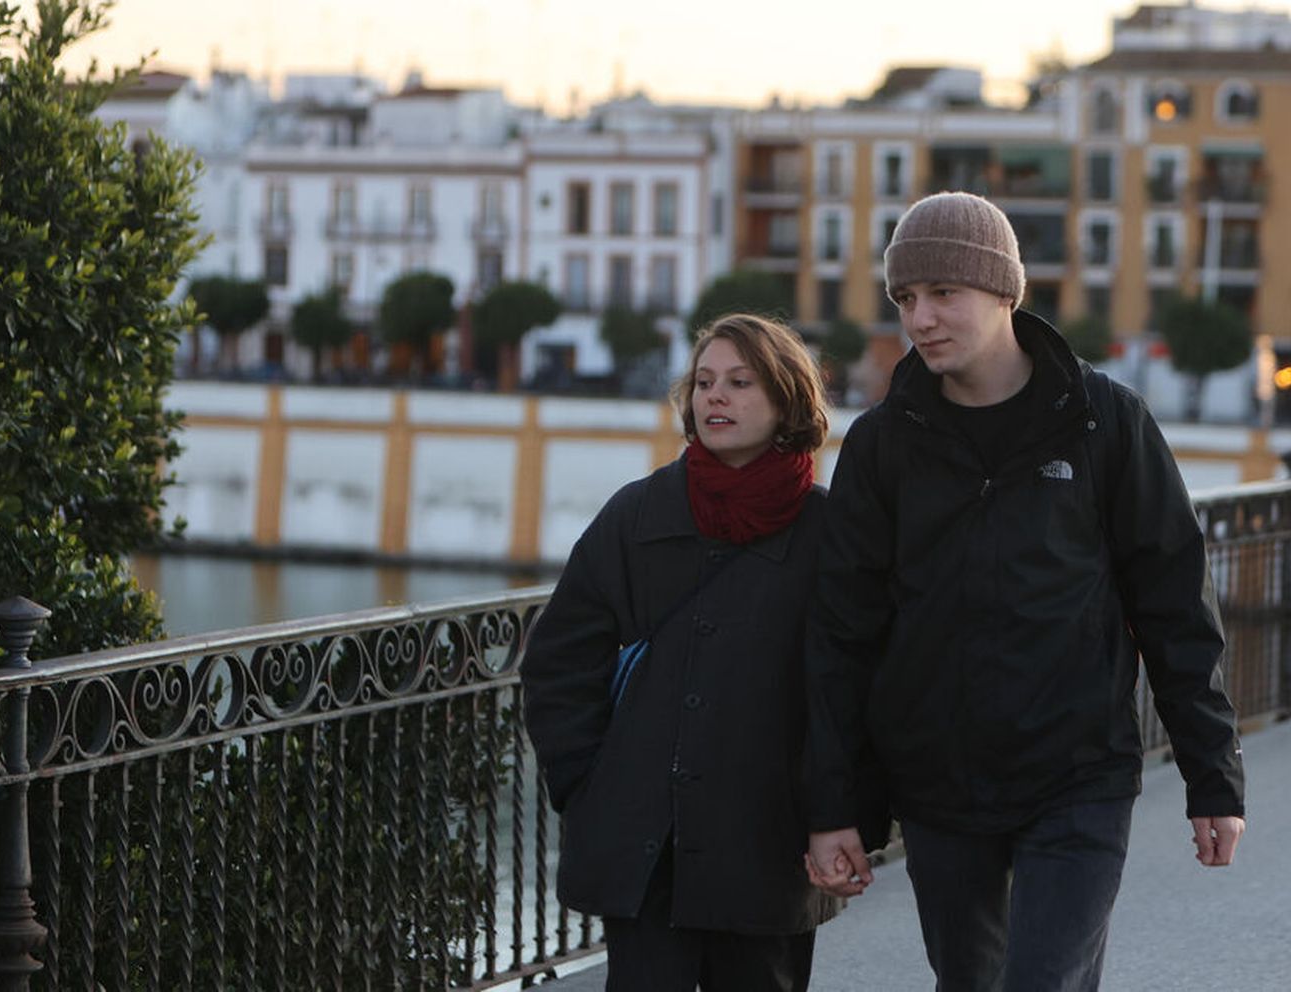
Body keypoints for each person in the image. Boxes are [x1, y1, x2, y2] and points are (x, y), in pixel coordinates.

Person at [803, 191, 1246, 991]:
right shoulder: (882, 444)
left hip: (1078, 775)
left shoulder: (1104, 421)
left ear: (1004, 292)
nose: (922, 318)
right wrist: (836, 807)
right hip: (940, 785)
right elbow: (843, 635)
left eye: (945, 293)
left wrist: (1212, 776)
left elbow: (1174, 605)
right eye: (906, 297)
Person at [522, 313, 836, 991]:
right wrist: (585, 783)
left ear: (787, 401)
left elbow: (849, 689)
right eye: (704, 382)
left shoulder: (828, 534)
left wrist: (832, 813)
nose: (715, 397)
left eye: (740, 382)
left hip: (766, 845)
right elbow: (558, 660)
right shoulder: (636, 515)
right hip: (645, 845)